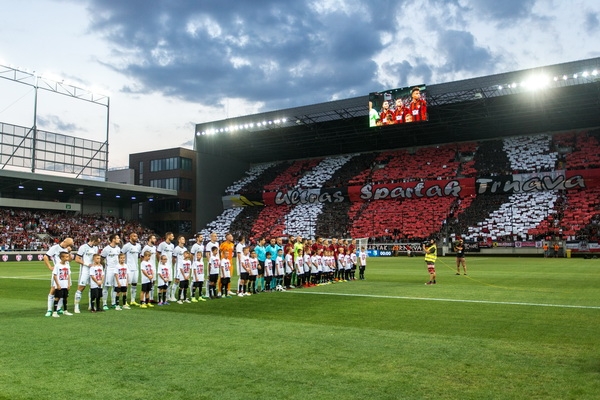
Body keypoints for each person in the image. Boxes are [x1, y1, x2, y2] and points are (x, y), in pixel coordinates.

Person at [43, 237, 74, 317]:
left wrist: (70, 252)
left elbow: (70, 260)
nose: (71, 245)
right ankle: (49, 309)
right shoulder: (55, 248)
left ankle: (59, 308)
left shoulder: (67, 249)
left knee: (64, 291)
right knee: (53, 290)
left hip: (66, 271)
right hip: (58, 271)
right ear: (65, 242)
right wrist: (50, 266)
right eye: (70, 244)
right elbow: (46, 256)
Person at [73, 235, 100, 314]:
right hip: (85, 270)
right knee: (81, 287)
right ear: (94, 241)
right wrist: (87, 264)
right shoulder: (83, 247)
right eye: (97, 242)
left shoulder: (96, 248)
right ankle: (76, 306)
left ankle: (91, 305)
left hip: (93, 270)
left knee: (93, 288)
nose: (98, 244)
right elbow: (77, 259)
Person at [100, 233, 121, 310]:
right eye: (117, 238)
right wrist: (104, 267)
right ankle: (104, 303)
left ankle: (113, 303)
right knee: (106, 287)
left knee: (115, 287)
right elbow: (101, 259)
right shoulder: (106, 249)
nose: (119, 239)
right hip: (108, 270)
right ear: (113, 239)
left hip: (116, 270)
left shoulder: (118, 249)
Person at [121, 232, 141, 306]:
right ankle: (125, 300)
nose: (136, 237)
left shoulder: (138, 246)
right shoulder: (126, 246)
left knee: (134, 284)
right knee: (127, 285)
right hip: (128, 268)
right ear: (130, 237)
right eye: (134, 236)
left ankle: (133, 300)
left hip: (136, 268)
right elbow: (121, 254)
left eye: (137, 236)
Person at [51, 251, 73, 317]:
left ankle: (65, 310)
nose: (67, 258)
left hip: (65, 284)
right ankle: (54, 312)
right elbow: (54, 275)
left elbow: (68, 275)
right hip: (59, 285)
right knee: (57, 298)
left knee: (65, 297)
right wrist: (57, 284)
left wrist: (68, 284)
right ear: (62, 257)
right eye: (66, 257)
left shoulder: (67, 265)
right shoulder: (57, 265)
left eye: (68, 256)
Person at [156, 232, 175, 302]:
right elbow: (157, 253)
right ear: (168, 236)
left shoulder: (172, 245)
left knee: (169, 281)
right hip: (163, 265)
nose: (173, 237)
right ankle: (159, 298)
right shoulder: (162, 244)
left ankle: (167, 296)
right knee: (161, 282)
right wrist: (160, 262)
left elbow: (172, 256)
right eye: (172, 236)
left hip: (169, 265)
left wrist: (171, 263)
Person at [141, 234, 158, 303]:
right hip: (148, 268)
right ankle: (144, 299)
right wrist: (143, 266)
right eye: (154, 238)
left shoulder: (154, 247)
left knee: (153, 282)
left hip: (153, 267)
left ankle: (151, 298)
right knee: (147, 283)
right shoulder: (146, 247)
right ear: (150, 239)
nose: (155, 239)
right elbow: (142, 257)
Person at [172, 235, 187, 302]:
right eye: (182, 239)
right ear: (179, 240)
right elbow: (174, 258)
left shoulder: (185, 249)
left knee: (183, 281)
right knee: (176, 281)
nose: (184, 240)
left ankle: (182, 295)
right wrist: (175, 266)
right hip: (178, 268)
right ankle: (172, 295)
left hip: (183, 268)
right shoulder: (176, 249)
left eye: (184, 239)